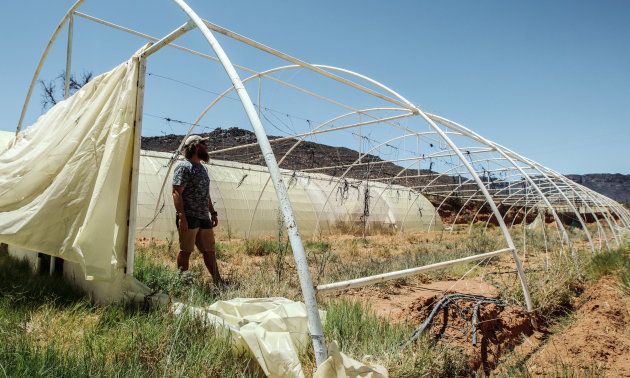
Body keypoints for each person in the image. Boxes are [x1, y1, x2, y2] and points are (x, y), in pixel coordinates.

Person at [172, 135, 223, 285]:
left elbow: (205, 194)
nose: (207, 146)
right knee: (186, 251)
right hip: (189, 216)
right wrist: (182, 216)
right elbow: (176, 192)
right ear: (195, 147)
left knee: (210, 251)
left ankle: (217, 281)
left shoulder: (203, 168)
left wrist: (212, 212)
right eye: (204, 143)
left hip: (203, 217)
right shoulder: (184, 167)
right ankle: (182, 282)